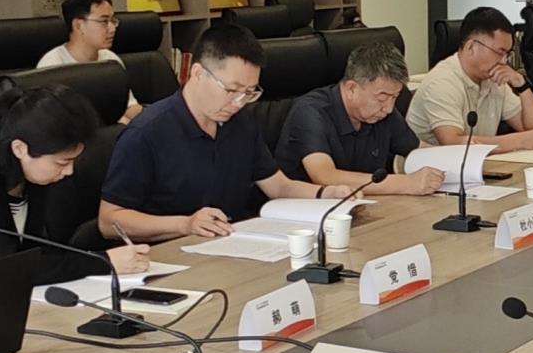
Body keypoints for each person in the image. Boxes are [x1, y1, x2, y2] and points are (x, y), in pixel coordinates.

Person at [98, 25, 358, 241]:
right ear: (197, 73)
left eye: (249, 93)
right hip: (170, 253)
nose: (238, 102)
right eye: (232, 90)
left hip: (231, 243)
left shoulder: (240, 123)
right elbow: (108, 221)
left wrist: (325, 194)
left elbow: (278, 186)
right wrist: (186, 224)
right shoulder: (146, 133)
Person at [0, 84, 152, 283]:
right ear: (20, 149)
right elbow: (6, 269)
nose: (69, 171)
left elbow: (38, 254)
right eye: (62, 162)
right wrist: (103, 262)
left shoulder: (30, 176)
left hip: (7, 297)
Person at [276, 40, 442, 196]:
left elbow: (417, 149)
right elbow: (324, 176)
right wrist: (405, 183)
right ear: (351, 89)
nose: (389, 108)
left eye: (395, 97)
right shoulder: (310, 111)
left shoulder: (383, 112)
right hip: (307, 209)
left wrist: (451, 160)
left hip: (365, 205)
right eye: (382, 97)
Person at [403, 5, 533, 150]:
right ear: (471, 47)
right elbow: (453, 143)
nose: (503, 61)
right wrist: (521, 141)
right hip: (433, 165)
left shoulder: (494, 77)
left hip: (476, 163)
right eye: (499, 52)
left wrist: (522, 85)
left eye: (507, 54)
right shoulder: (442, 82)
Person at [35, 0, 142, 123]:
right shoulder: (52, 65)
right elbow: (51, 123)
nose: (112, 28)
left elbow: (129, 106)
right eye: (104, 21)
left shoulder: (110, 60)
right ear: (78, 25)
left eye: (113, 21)